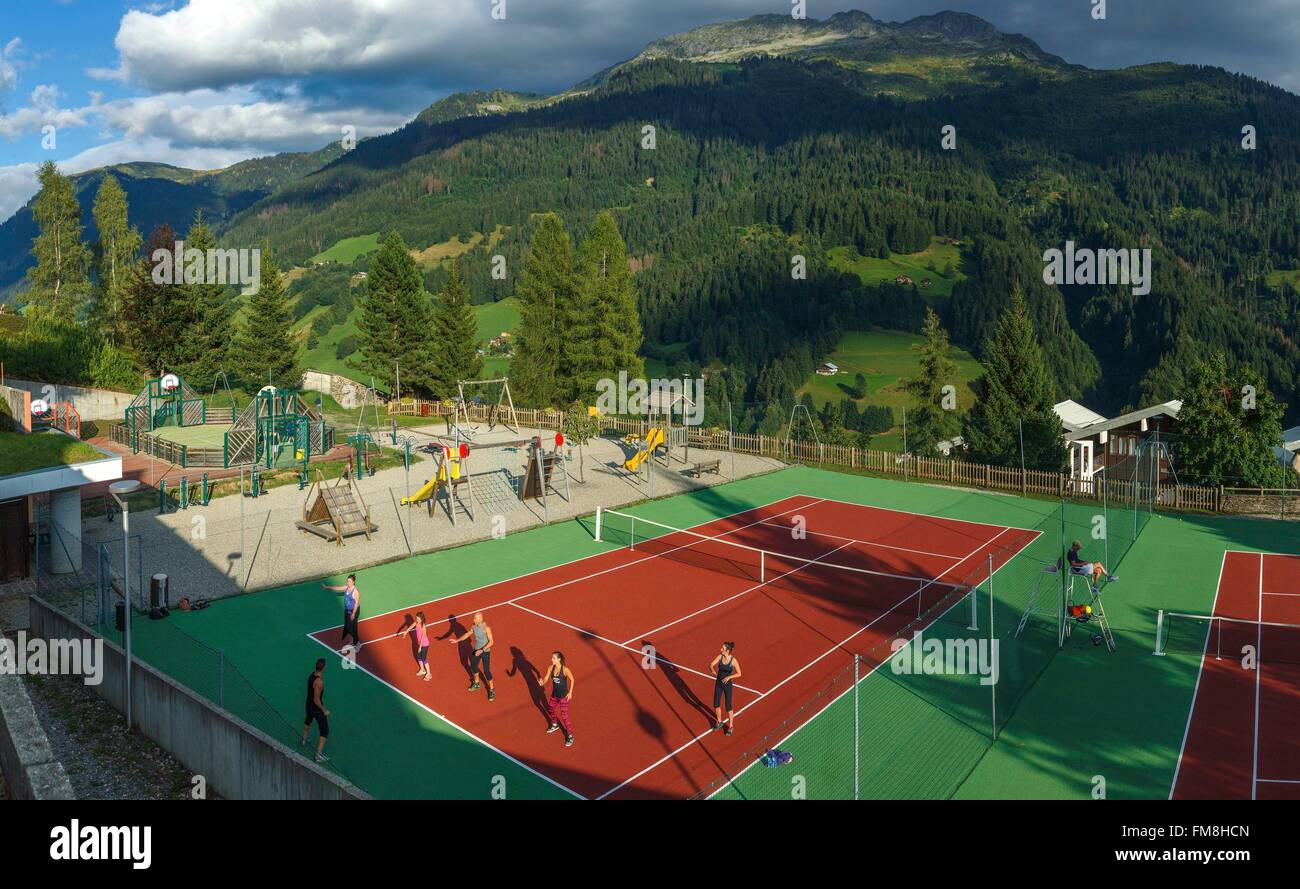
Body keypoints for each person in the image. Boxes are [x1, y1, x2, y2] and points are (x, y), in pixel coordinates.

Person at [448, 612, 496, 701]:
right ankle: (477, 683)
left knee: (486, 671)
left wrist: (482, 650)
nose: (473, 620)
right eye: (474, 618)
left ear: (480, 619)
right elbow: (467, 634)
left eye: (475, 618)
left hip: (485, 651)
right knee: (473, 666)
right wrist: (457, 640)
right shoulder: (474, 626)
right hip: (476, 650)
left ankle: (492, 689)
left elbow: (491, 642)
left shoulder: (486, 628)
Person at [538, 651, 574, 747]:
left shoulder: (565, 670)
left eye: (554, 658)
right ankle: (555, 724)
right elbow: (546, 678)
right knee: (550, 708)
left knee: (564, 716)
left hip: (563, 697)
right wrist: (542, 682)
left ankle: (570, 735)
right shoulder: (551, 668)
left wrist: (570, 692)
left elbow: (572, 679)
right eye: (552, 658)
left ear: (559, 659)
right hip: (555, 695)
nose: (552, 659)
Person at [709, 642, 742, 736]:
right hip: (718, 683)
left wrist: (729, 677)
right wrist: (713, 670)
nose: (721, 649)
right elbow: (711, 664)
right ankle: (719, 721)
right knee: (716, 704)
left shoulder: (733, 660)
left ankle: (731, 726)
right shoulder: (720, 657)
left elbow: (739, 673)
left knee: (728, 706)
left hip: (728, 685)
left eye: (722, 648)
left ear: (727, 650)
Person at [322, 575, 362, 653]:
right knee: (347, 627)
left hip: (354, 611)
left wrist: (353, 614)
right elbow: (337, 588)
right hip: (347, 611)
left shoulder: (356, 591)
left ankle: (358, 644)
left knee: (352, 628)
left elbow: (356, 603)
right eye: (347, 581)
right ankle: (352, 640)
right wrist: (327, 587)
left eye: (350, 581)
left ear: (353, 582)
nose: (348, 582)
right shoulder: (346, 588)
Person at [301, 658, 331, 762]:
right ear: (323, 668)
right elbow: (316, 699)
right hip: (316, 709)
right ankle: (318, 755)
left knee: (308, 720)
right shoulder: (319, 682)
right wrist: (324, 710)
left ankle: (304, 740)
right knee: (325, 731)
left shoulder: (311, 675)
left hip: (308, 705)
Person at [395, 612, 432, 680]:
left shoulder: (423, 626)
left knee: (423, 658)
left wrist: (420, 647)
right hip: (419, 643)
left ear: (421, 618)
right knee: (418, 656)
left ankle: (429, 673)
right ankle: (422, 669)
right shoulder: (416, 623)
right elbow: (410, 627)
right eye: (416, 618)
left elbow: (423, 637)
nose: (416, 619)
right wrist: (405, 632)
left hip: (425, 644)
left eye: (418, 618)